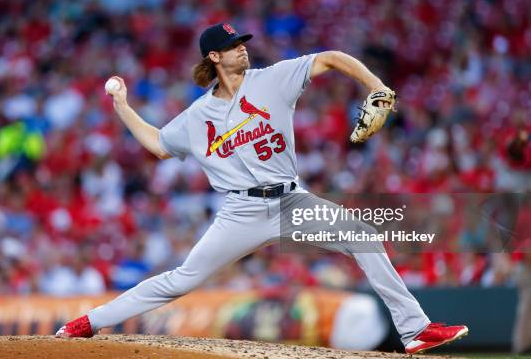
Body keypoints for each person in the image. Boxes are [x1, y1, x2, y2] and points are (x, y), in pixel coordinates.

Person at [56, 23, 468, 354]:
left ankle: (415, 329)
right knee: (182, 280)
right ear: (214, 56)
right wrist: (124, 108)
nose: (243, 49)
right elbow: (159, 145)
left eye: (242, 43)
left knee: (362, 237)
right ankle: (88, 322)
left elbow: (331, 58)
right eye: (233, 46)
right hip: (241, 214)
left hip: (292, 200)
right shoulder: (197, 116)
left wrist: (376, 86)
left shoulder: (273, 80)